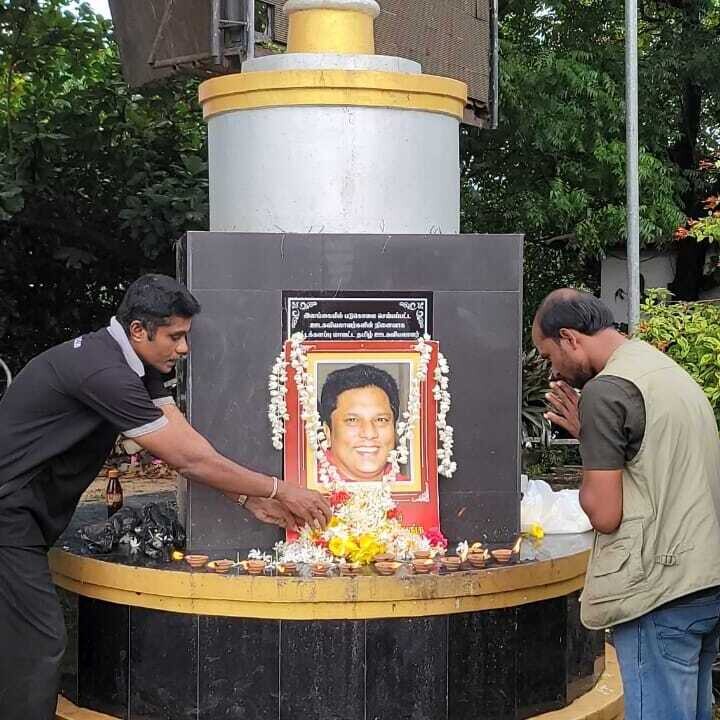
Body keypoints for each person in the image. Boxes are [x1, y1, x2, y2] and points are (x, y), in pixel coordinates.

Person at [0, 274, 331, 720]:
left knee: (19, 640)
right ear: (139, 330)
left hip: (26, 514)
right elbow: (189, 460)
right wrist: (280, 489)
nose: (184, 348)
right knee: (36, 646)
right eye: (175, 336)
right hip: (9, 514)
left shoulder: (132, 366)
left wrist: (244, 499)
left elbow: (189, 447)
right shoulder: (104, 373)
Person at [533, 288, 720, 720]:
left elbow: (605, 513)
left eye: (548, 355)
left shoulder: (606, 391)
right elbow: (654, 465)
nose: (553, 370)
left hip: (659, 592)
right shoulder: (660, 369)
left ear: (569, 338)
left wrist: (589, 451)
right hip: (703, 581)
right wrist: (593, 436)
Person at [318, 364, 403, 482]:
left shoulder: (415, 489)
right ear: (327, 433)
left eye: (381, 420)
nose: (369, 433)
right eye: (352, 420)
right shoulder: (302, 490)